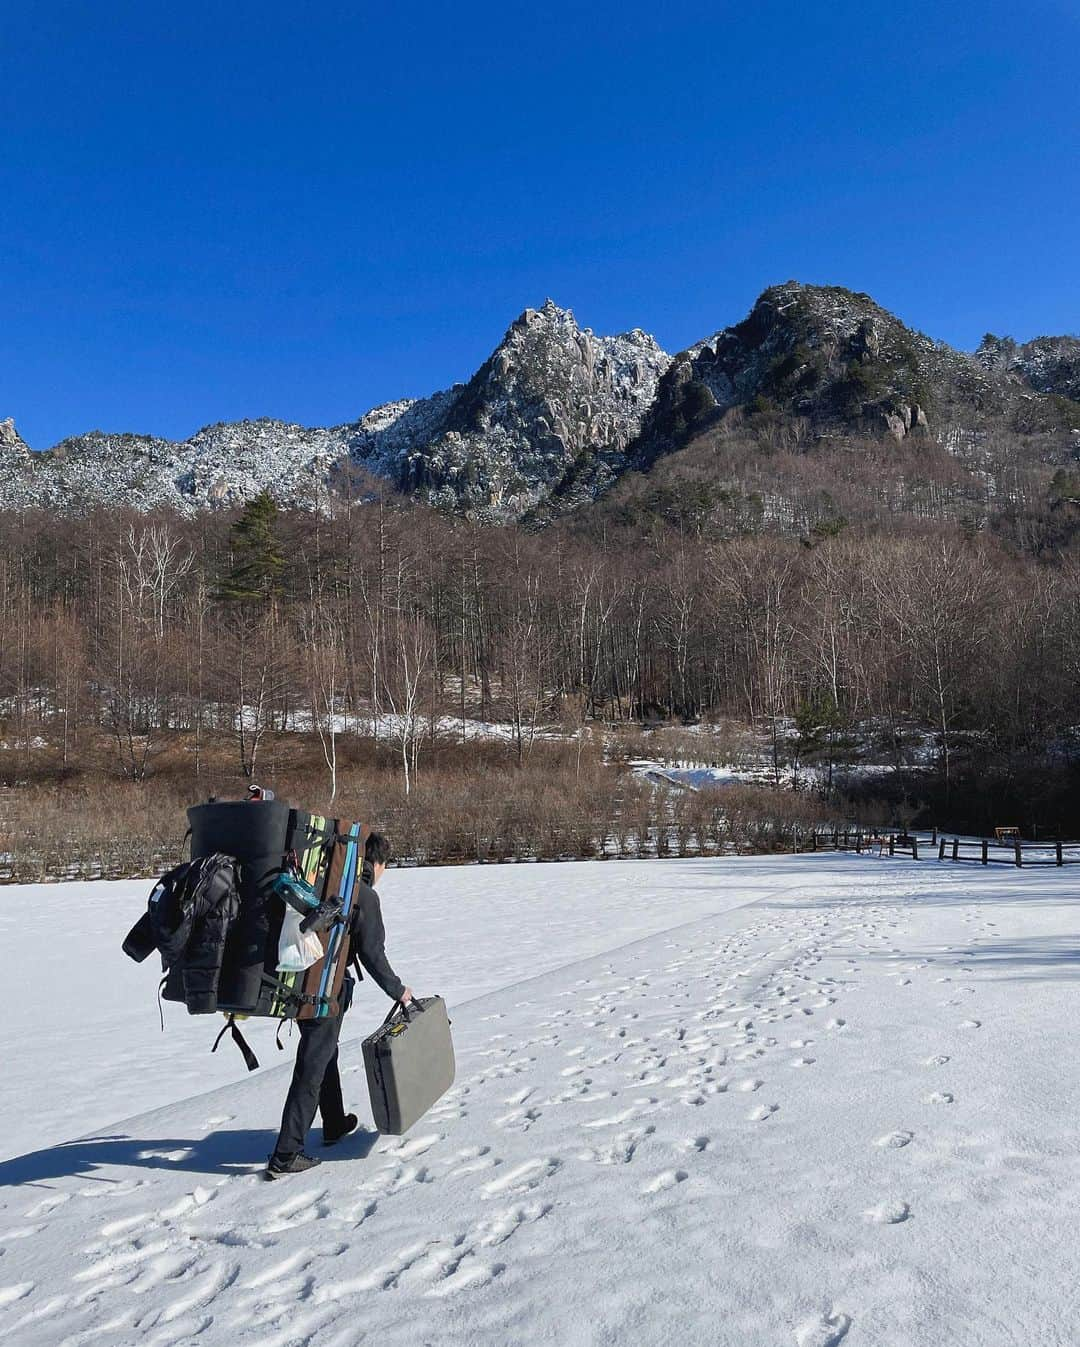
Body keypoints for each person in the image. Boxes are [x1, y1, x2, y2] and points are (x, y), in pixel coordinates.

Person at [265, 831, 412, 1179]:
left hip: (297, 980)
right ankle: (286, 1153)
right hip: (323, 989)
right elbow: (373, 955)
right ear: (377, 864)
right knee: (312, 1067)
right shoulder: (364, 896)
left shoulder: (324, 883)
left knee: (323, 1053)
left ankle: (333, 1123)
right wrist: (399, 991)